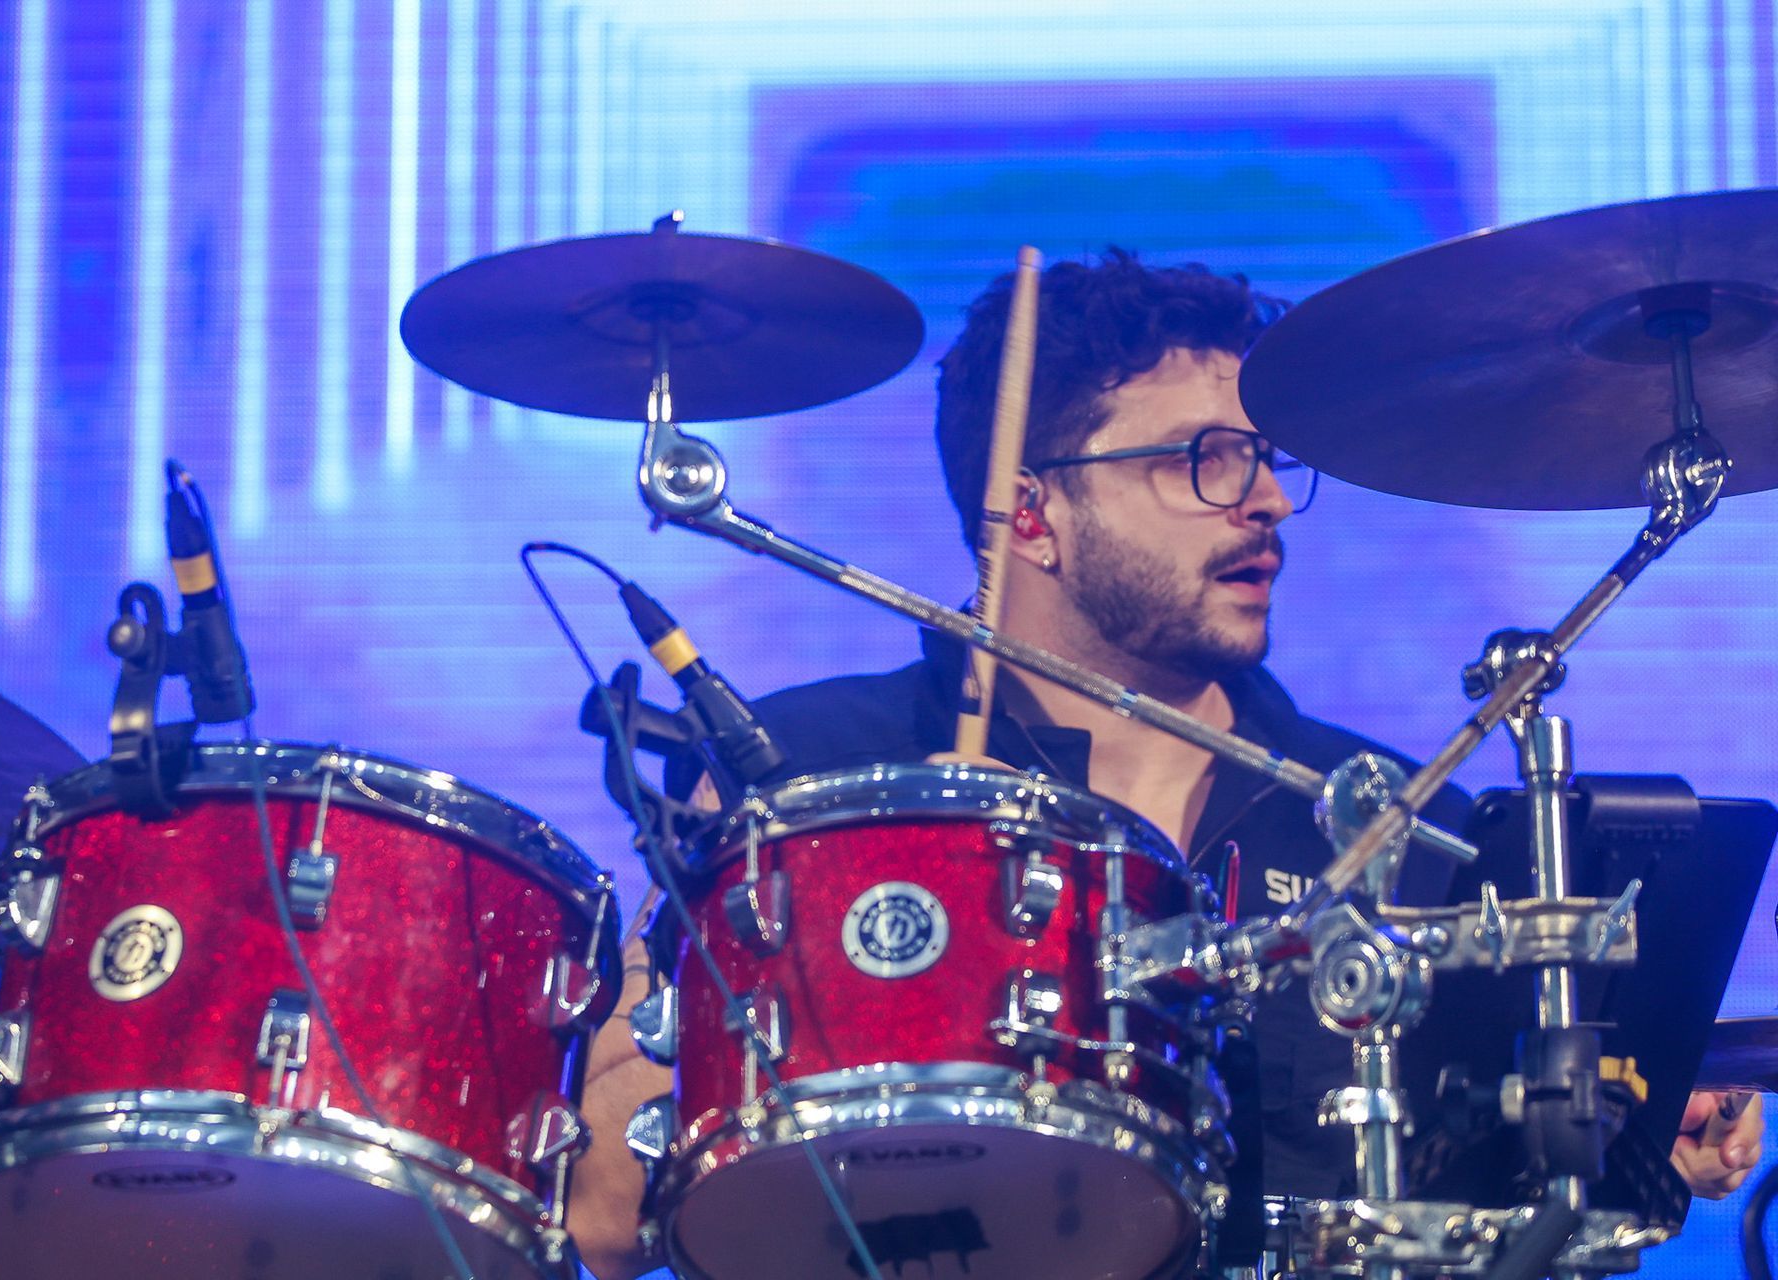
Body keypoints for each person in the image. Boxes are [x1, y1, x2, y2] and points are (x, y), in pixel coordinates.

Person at [568, 251, 1762, 1279]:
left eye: (1265, 458)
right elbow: (603, 1219)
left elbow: (1498, 1199)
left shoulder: (1405, 828)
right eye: (1203, 459)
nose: (1264, 504)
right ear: (1028, 512)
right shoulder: (796, 778)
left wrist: (1633, 1119)